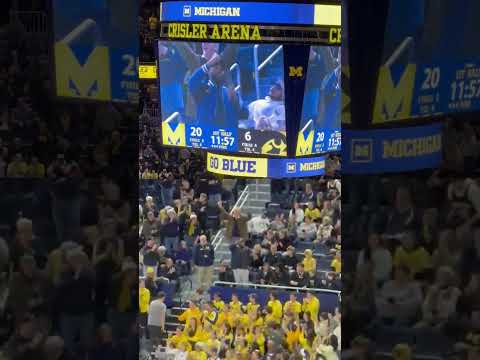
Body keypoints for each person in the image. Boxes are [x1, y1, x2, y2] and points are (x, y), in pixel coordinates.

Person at [188, 56, 240, 128]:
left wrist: (234, 99)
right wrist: (207, 65)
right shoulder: (202, 89)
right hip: (206, 133)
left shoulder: (228, 92)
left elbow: (241, 113)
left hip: (226, 134)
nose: (218, 71)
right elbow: (192, 82)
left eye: (221, 69)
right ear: (209, 70)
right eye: (215, 67)